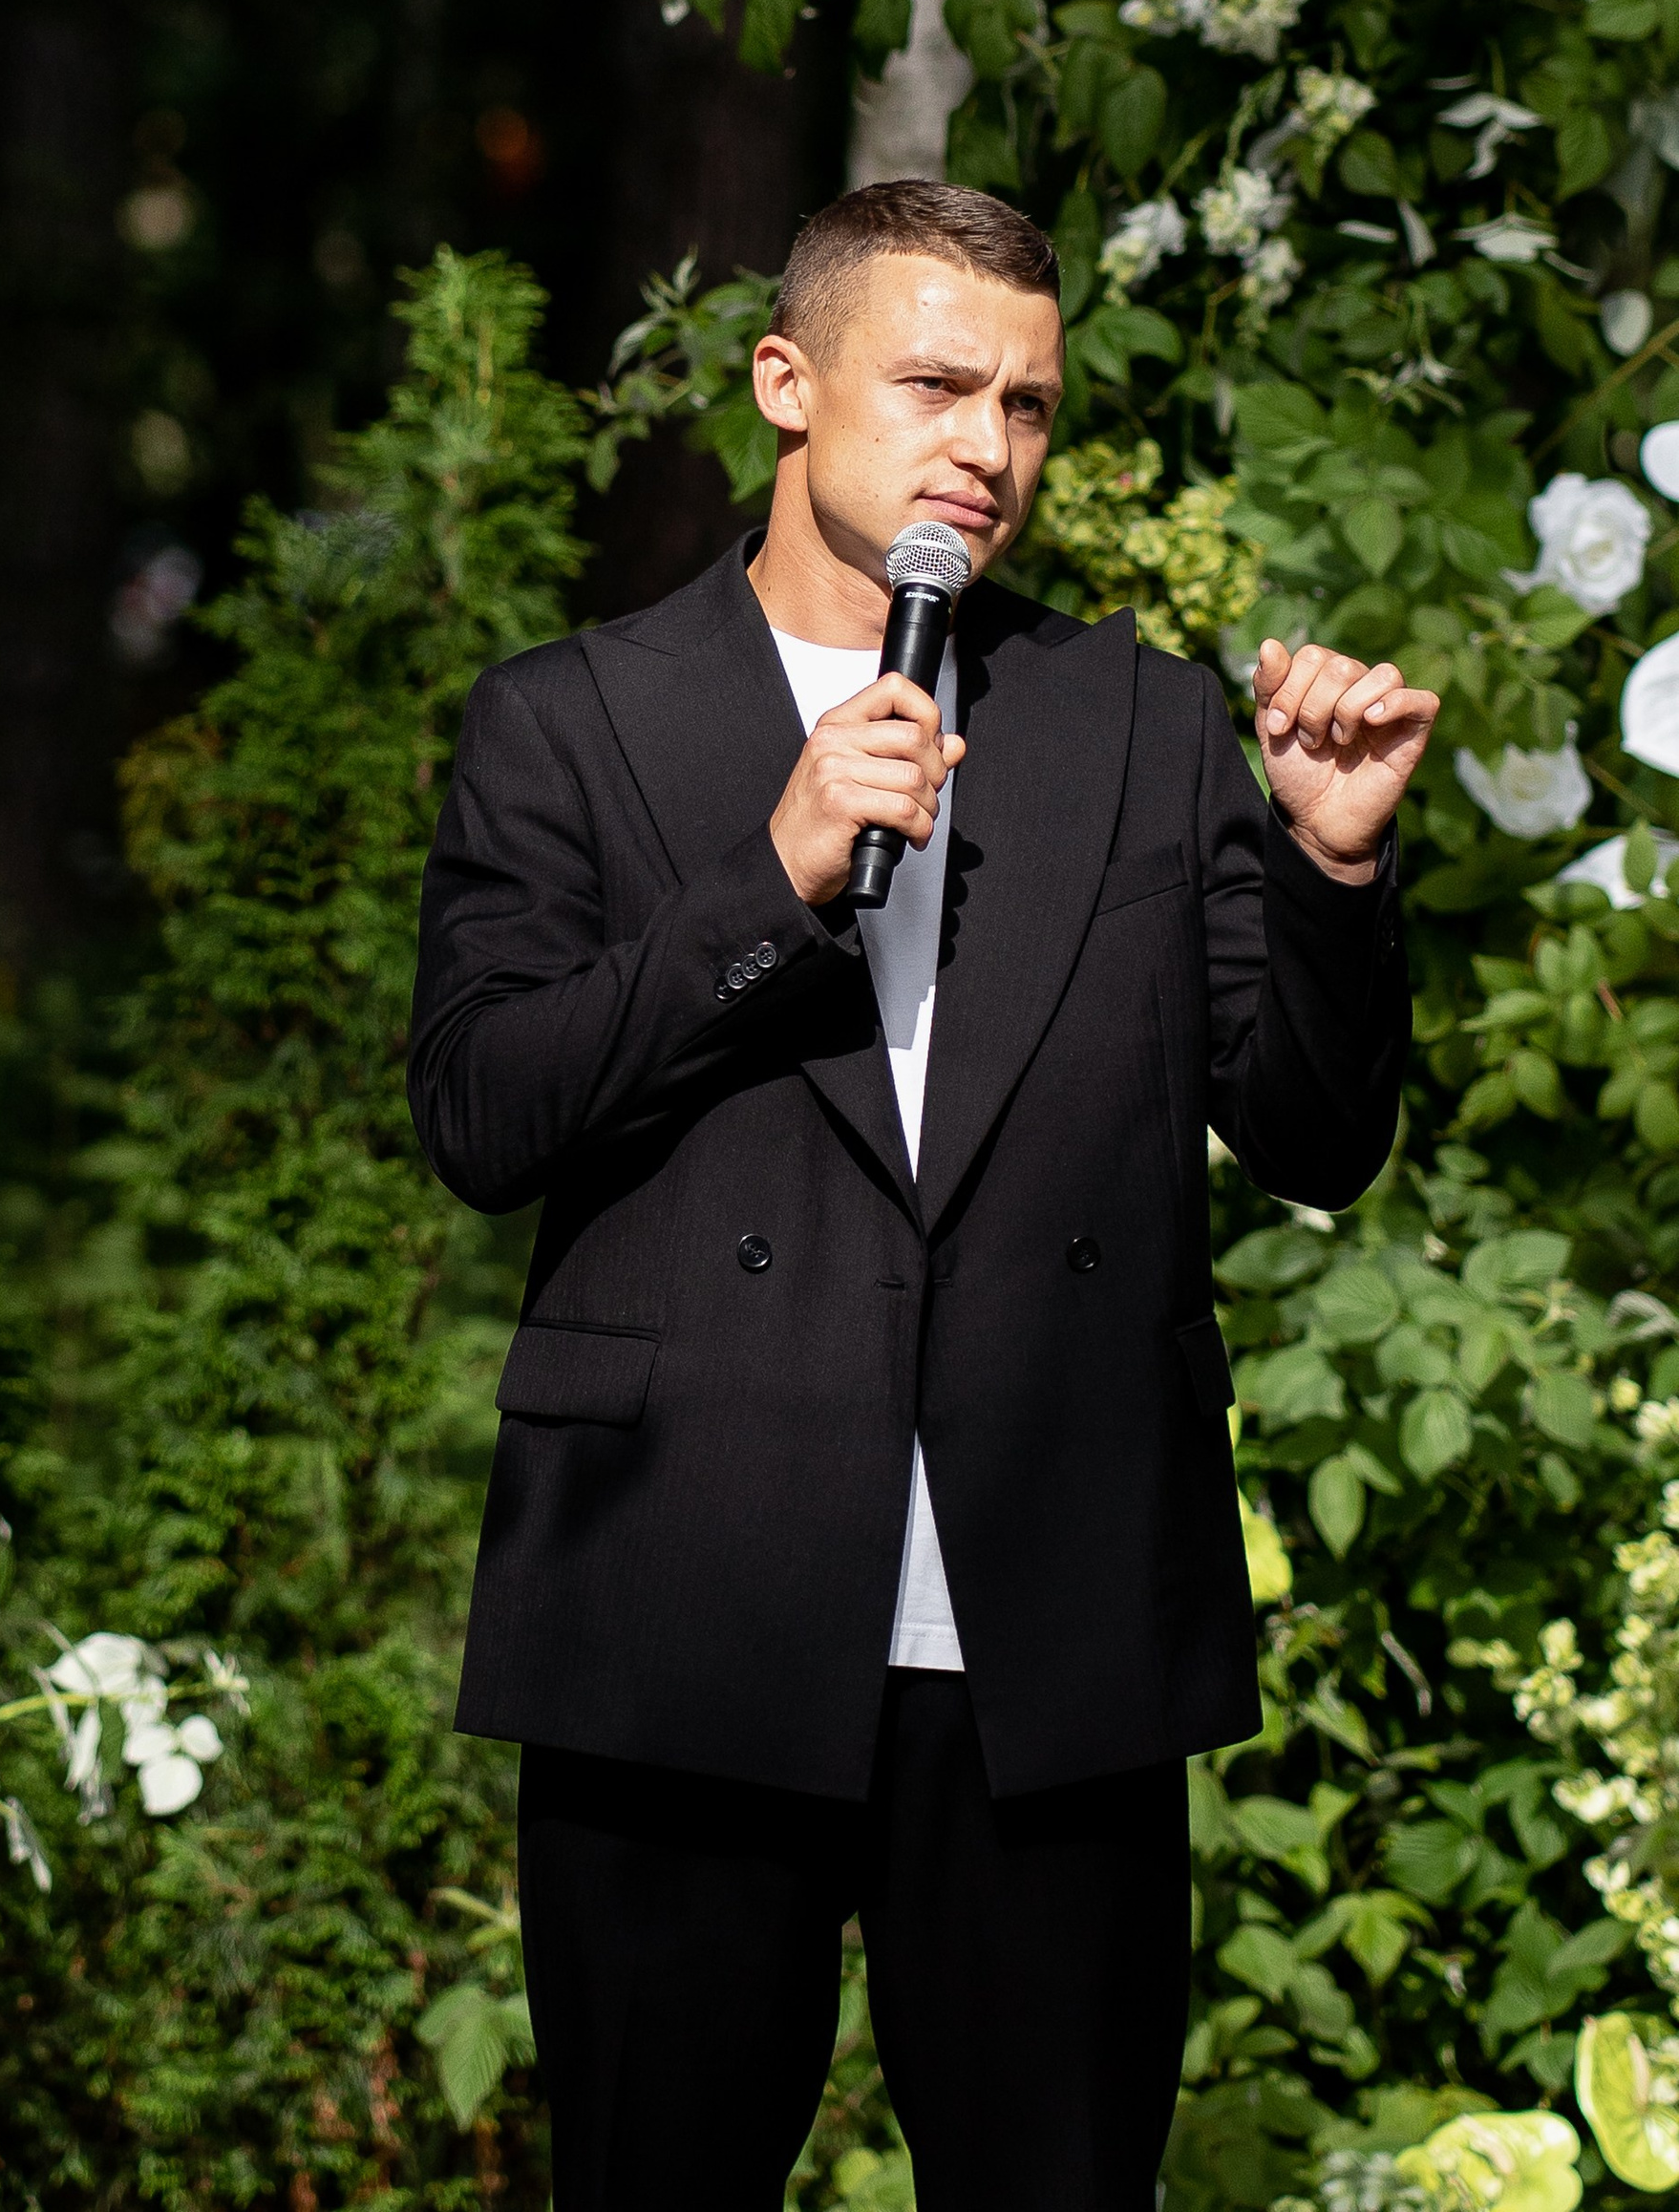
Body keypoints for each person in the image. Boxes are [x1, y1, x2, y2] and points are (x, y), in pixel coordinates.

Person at [407, 180, 1435, 2212]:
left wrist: (1327, 876)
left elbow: (1310, 1135)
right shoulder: (574, 716)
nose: (987, 445)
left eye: (1029, 406)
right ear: (784, 384)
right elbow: (479, 1111)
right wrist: (757, 882)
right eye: (937, 384)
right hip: (680, 1600)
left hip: (1044, 1625)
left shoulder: (1138, 726)